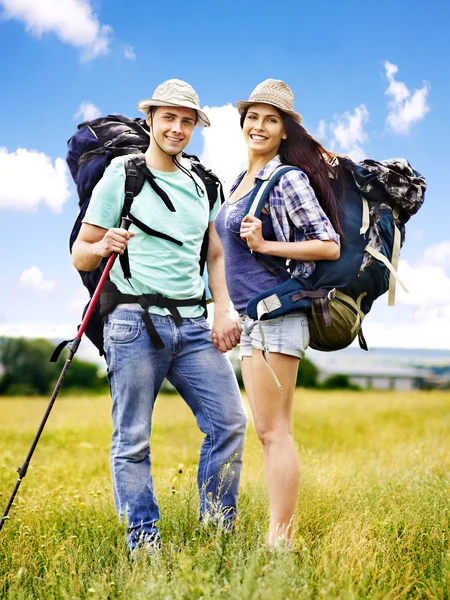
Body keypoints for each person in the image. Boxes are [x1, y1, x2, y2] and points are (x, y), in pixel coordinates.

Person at [71, 79, 247, 553]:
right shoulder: (121, 176)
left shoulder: (203, 183)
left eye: (187, 120)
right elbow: (79, 254)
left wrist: (223, 310)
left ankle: (216, 531)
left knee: (229, 422)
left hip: (193, 326)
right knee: (132, 439)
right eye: (168, 117)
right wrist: (102, 243)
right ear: (150, 120)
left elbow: (215, 254)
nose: (177, 128)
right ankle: (143, 540)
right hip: (132, 322)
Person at [214, 79, 342, 548]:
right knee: (267, 431)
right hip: (253, 320)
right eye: (254, 117)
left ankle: (281, 540)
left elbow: (328, 244)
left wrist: (266, 243)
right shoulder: (240, 181)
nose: (260, 126)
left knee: (273, 431)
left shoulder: (287, 178)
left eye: (272, 119)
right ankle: (278, 535)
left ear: (285, 129)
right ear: (243, 121)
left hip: (277, 315)